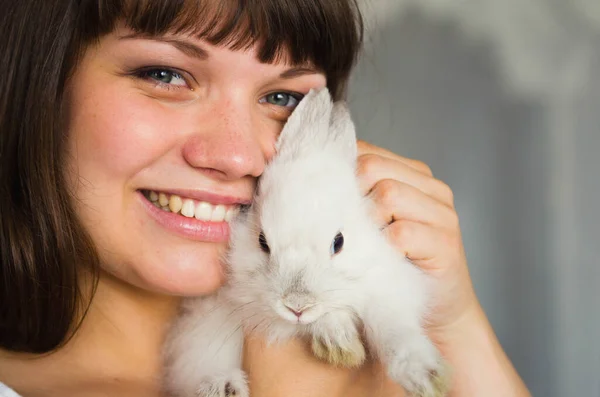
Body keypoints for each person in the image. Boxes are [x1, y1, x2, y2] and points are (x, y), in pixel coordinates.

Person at [0, 1, 531, 396]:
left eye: (281, 97)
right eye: (166, 74)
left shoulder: (378, 367)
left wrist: (457, 324)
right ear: (40, 84)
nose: (235, 156)